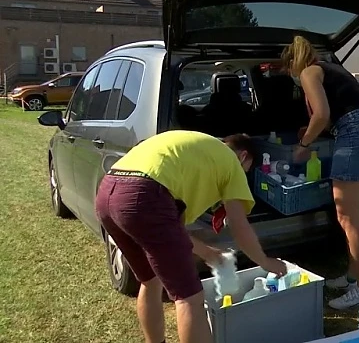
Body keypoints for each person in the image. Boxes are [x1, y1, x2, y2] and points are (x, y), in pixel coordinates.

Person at [95, 131, 288, 343]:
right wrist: (265, 261)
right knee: (189, 298)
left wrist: (209, 254)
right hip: (144, 194)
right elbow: (239, 227)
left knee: (151, 281)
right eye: (247, 169)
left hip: (108, 192)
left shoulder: (197, 153)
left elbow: (171, 231)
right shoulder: (231, 163)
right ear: (243, 156)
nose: (243, 174)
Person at [282, 35, 359, 310]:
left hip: (355, 138)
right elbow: (334, 115)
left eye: (287, 71)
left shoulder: (308, 72)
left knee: (348, 218)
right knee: (350, 217)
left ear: (293, 63)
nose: (291, 77)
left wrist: (304, 145)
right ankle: (353, 277)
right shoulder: (332, 69)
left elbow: (320, 114)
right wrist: (309, 132)